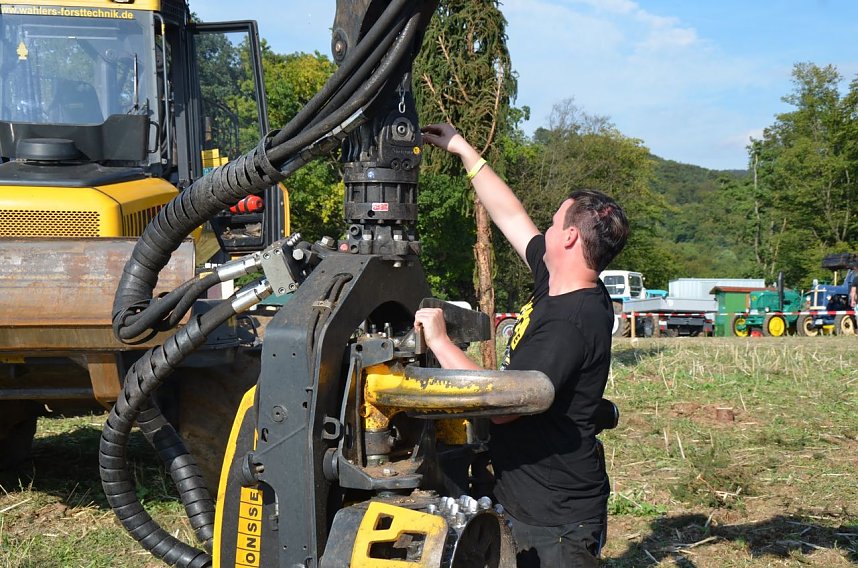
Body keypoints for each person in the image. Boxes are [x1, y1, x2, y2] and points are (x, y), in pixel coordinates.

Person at [415, 123, 629, 568]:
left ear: (570, 238)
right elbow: (510, 216)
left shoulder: (571, 322)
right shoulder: (559, 280)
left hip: (554, 518)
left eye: (553, 222)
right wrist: (463, 150)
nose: (544, 228)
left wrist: (438, 341)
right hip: (524, 495)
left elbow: (501, 404)